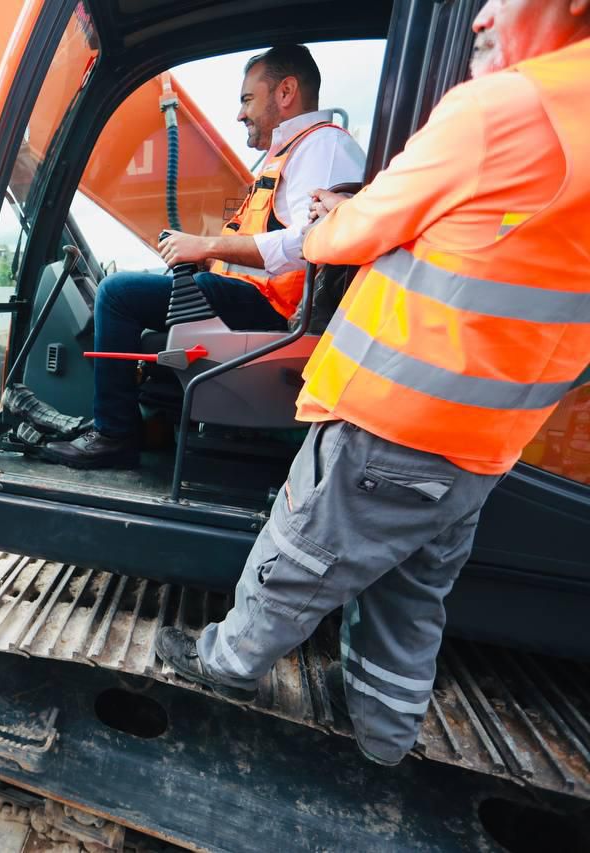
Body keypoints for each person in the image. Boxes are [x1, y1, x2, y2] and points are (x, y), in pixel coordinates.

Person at [155, 3, 590, 770]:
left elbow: (352, 235)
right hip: (486, 443)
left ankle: (223, 666)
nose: (483, 12)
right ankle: (384, 739)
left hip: (395, 414)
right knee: (412, 596)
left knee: (298, 553)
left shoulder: (506, 108)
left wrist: (334, 218)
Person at [45, 44, 366, 470]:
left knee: (117, 294)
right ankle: (148, 423)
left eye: (248, 99)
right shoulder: (293, 153)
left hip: (278, 311)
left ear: (286, 92)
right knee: (143, 291)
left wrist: (207, 246)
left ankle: (115, 435)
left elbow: (311, 243)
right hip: (258, 298)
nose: (240, 114)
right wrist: (199, 258)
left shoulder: (323, 147)